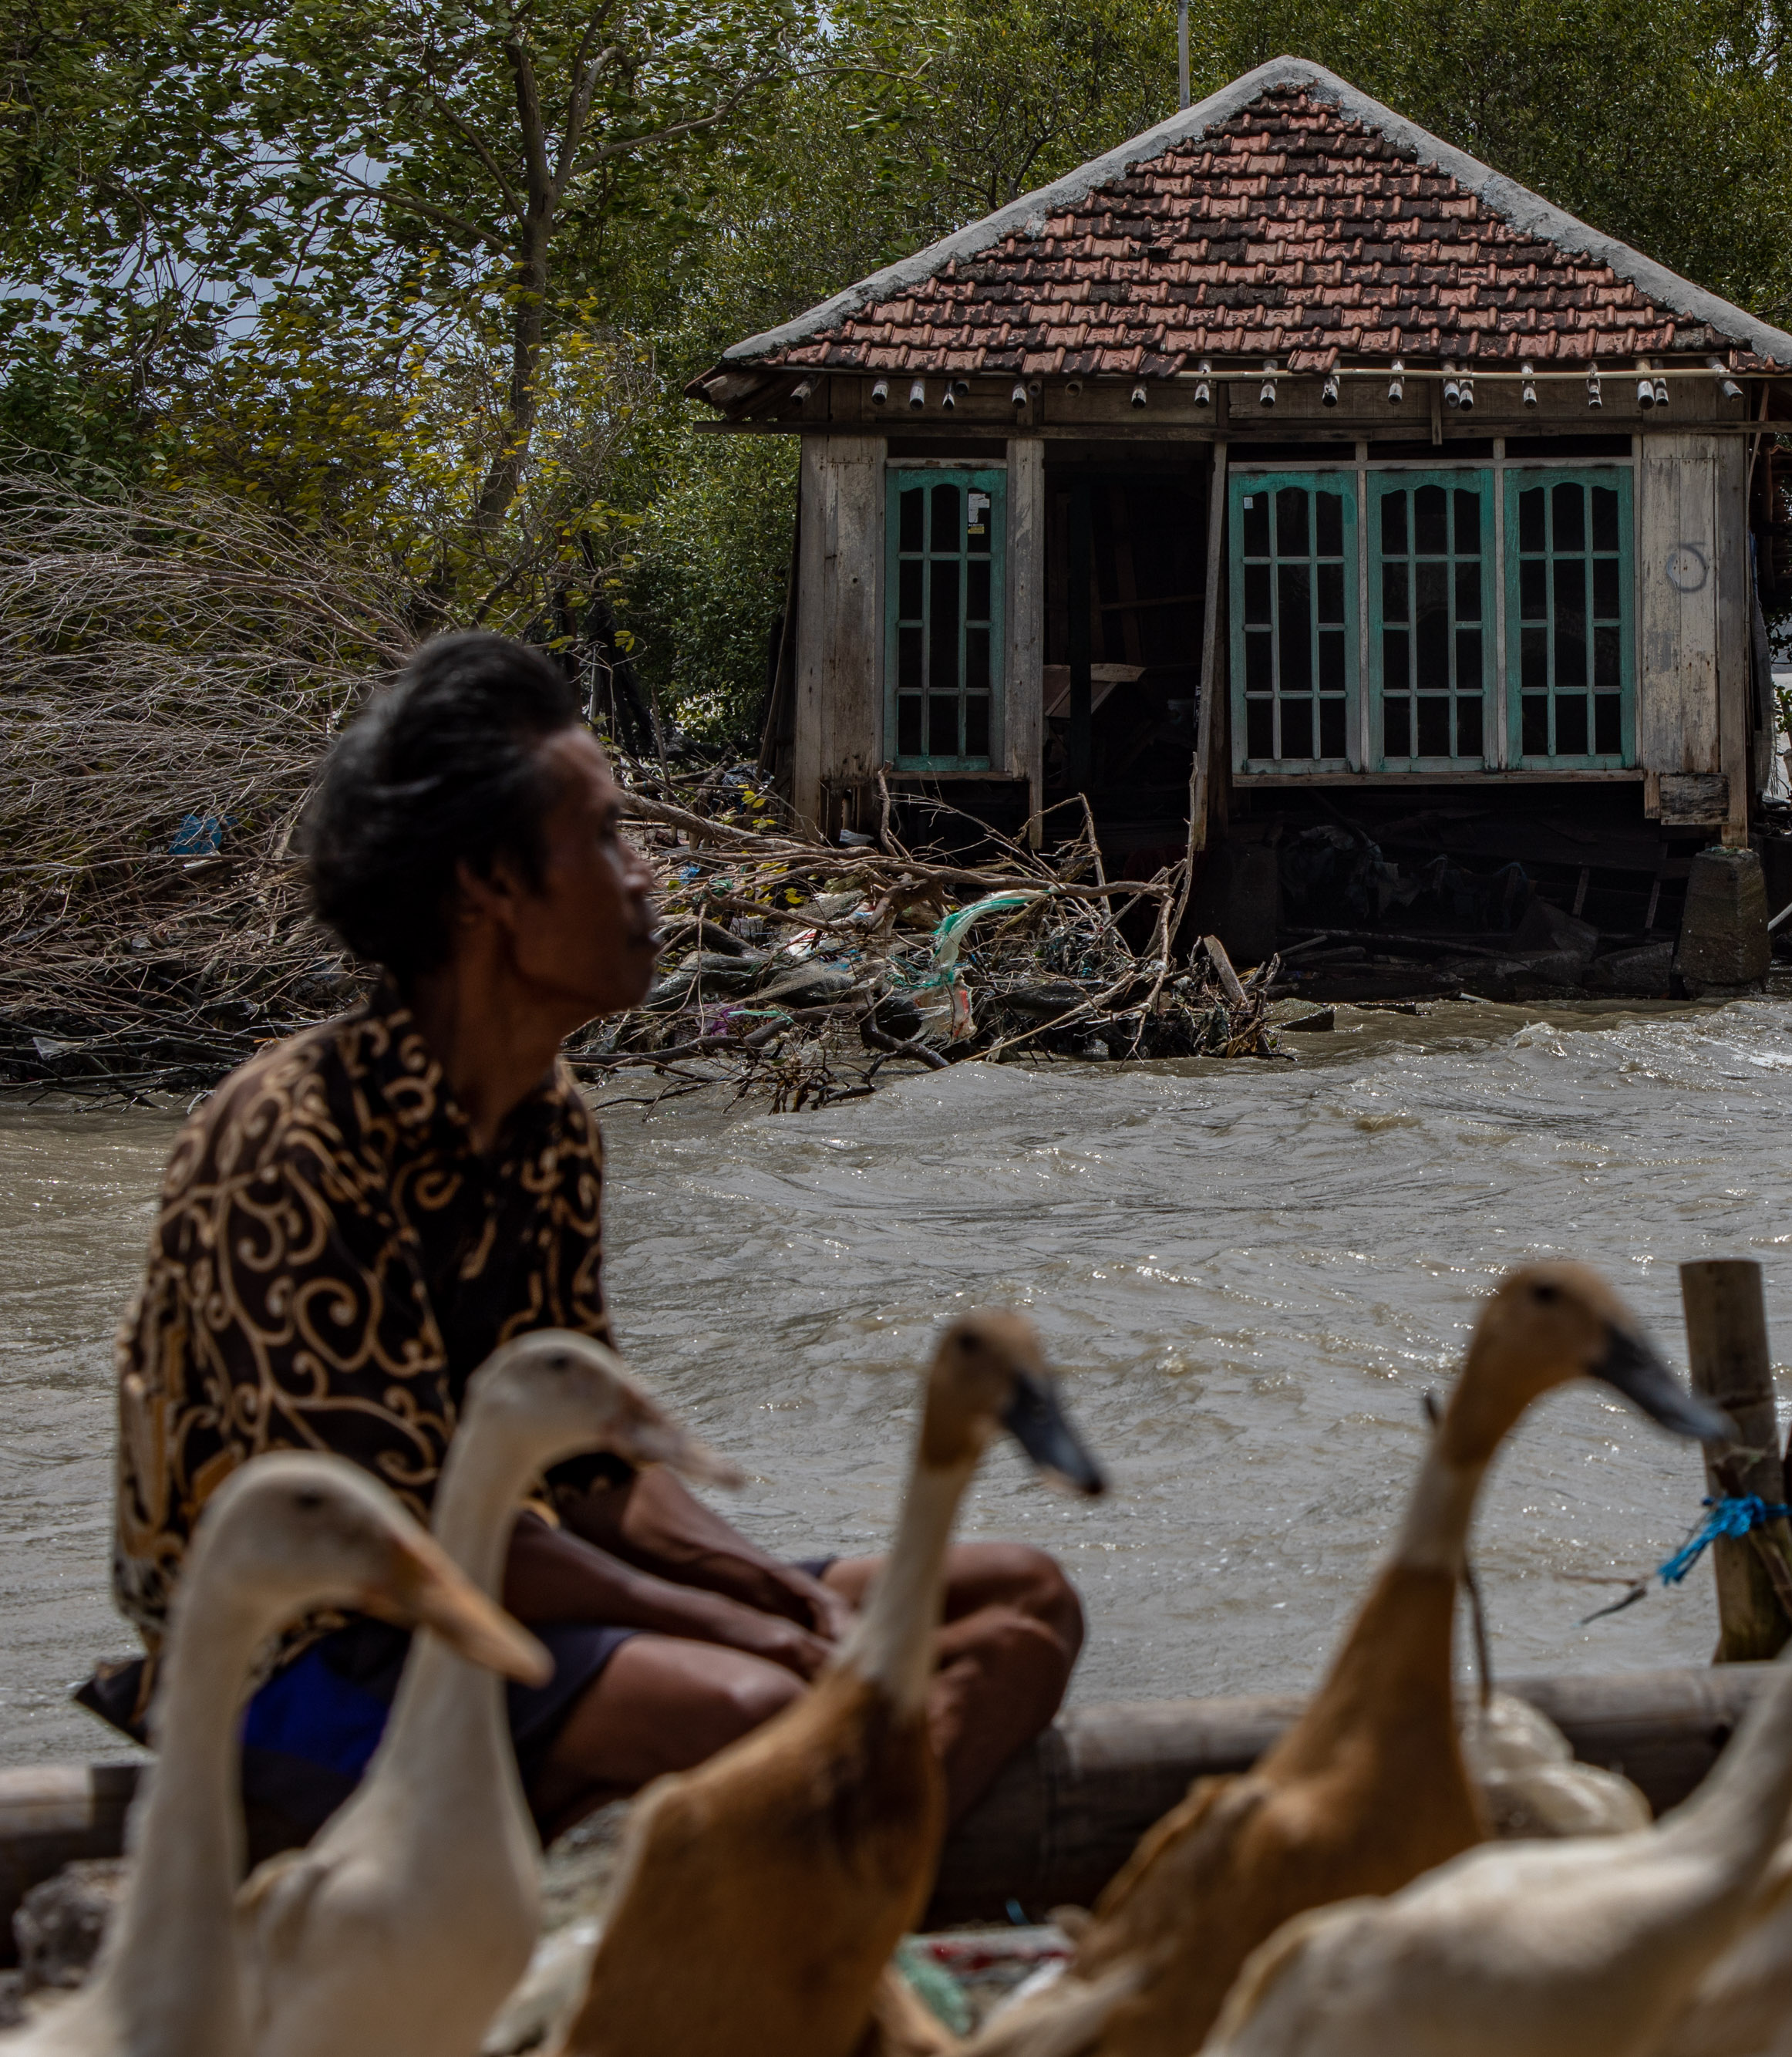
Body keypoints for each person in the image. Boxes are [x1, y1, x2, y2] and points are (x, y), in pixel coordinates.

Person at [90, 631, 1082, 1836]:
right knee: (754, 1699)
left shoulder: (550, 1125)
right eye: (607, 836)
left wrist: (775, 1592)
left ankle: (813, 1906)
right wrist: (752, 1629)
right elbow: (403, 1544)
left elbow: (591, 1475)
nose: (645, 877)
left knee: (1022, 1605)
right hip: (301, 1659)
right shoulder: (293, 1137)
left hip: (525, 1594)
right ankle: (770, 1907)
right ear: (485, 889)